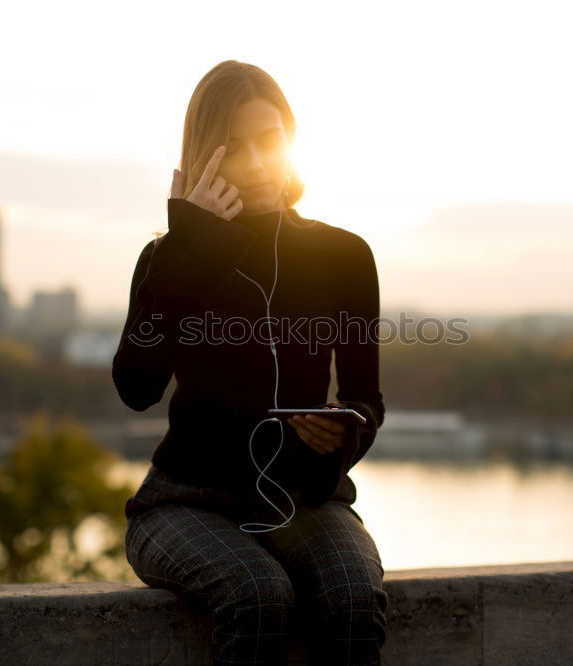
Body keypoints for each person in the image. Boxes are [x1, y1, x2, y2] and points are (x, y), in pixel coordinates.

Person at [114, 59, 388, 666]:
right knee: (258, 595)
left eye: (270, 141)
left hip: (303, 499)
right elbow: (136, 384)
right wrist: (192, 245)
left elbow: (368, 398)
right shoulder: (168, 258)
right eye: (235, 148)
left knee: (352, 595)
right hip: (181, 505)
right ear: (206, 157)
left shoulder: (344, 255)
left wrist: (346, 429)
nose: (260, 163)